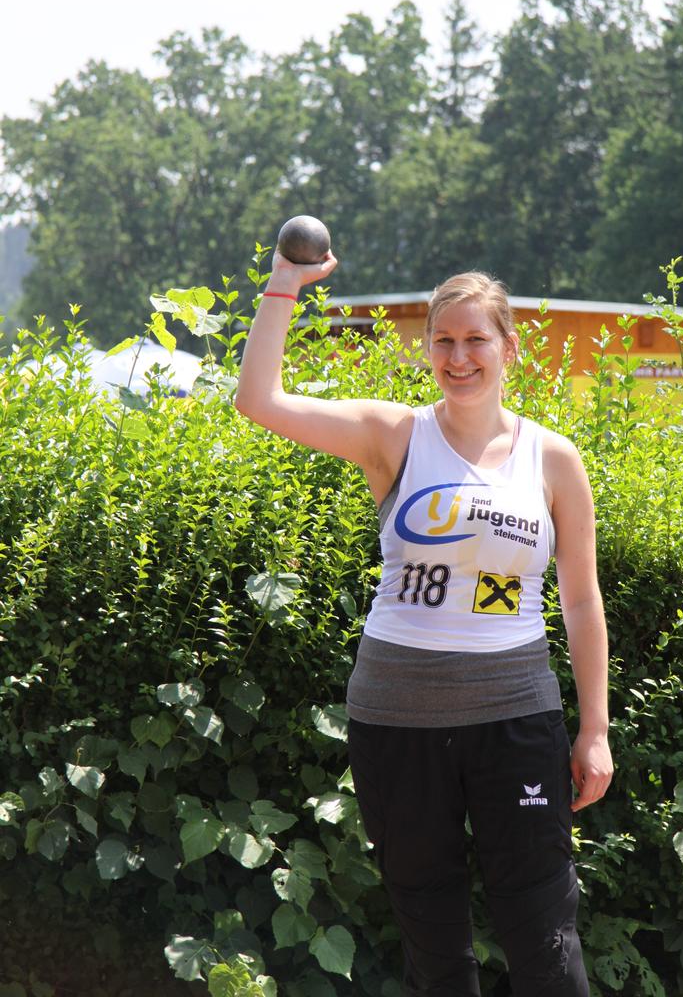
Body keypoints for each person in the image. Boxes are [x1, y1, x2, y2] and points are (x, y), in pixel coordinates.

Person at [235, 250, 613, 997]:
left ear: (509, 348)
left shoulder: (553, 459)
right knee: (435, 949)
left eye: (476, 340)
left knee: (545, 935)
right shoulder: (394, 435)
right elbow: (258, 400)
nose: (458, 357)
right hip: (396, 720)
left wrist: (594, 730)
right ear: (427, 348)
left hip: (516, 719)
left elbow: (580, 599)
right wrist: (285, 282)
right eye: (444, 340)